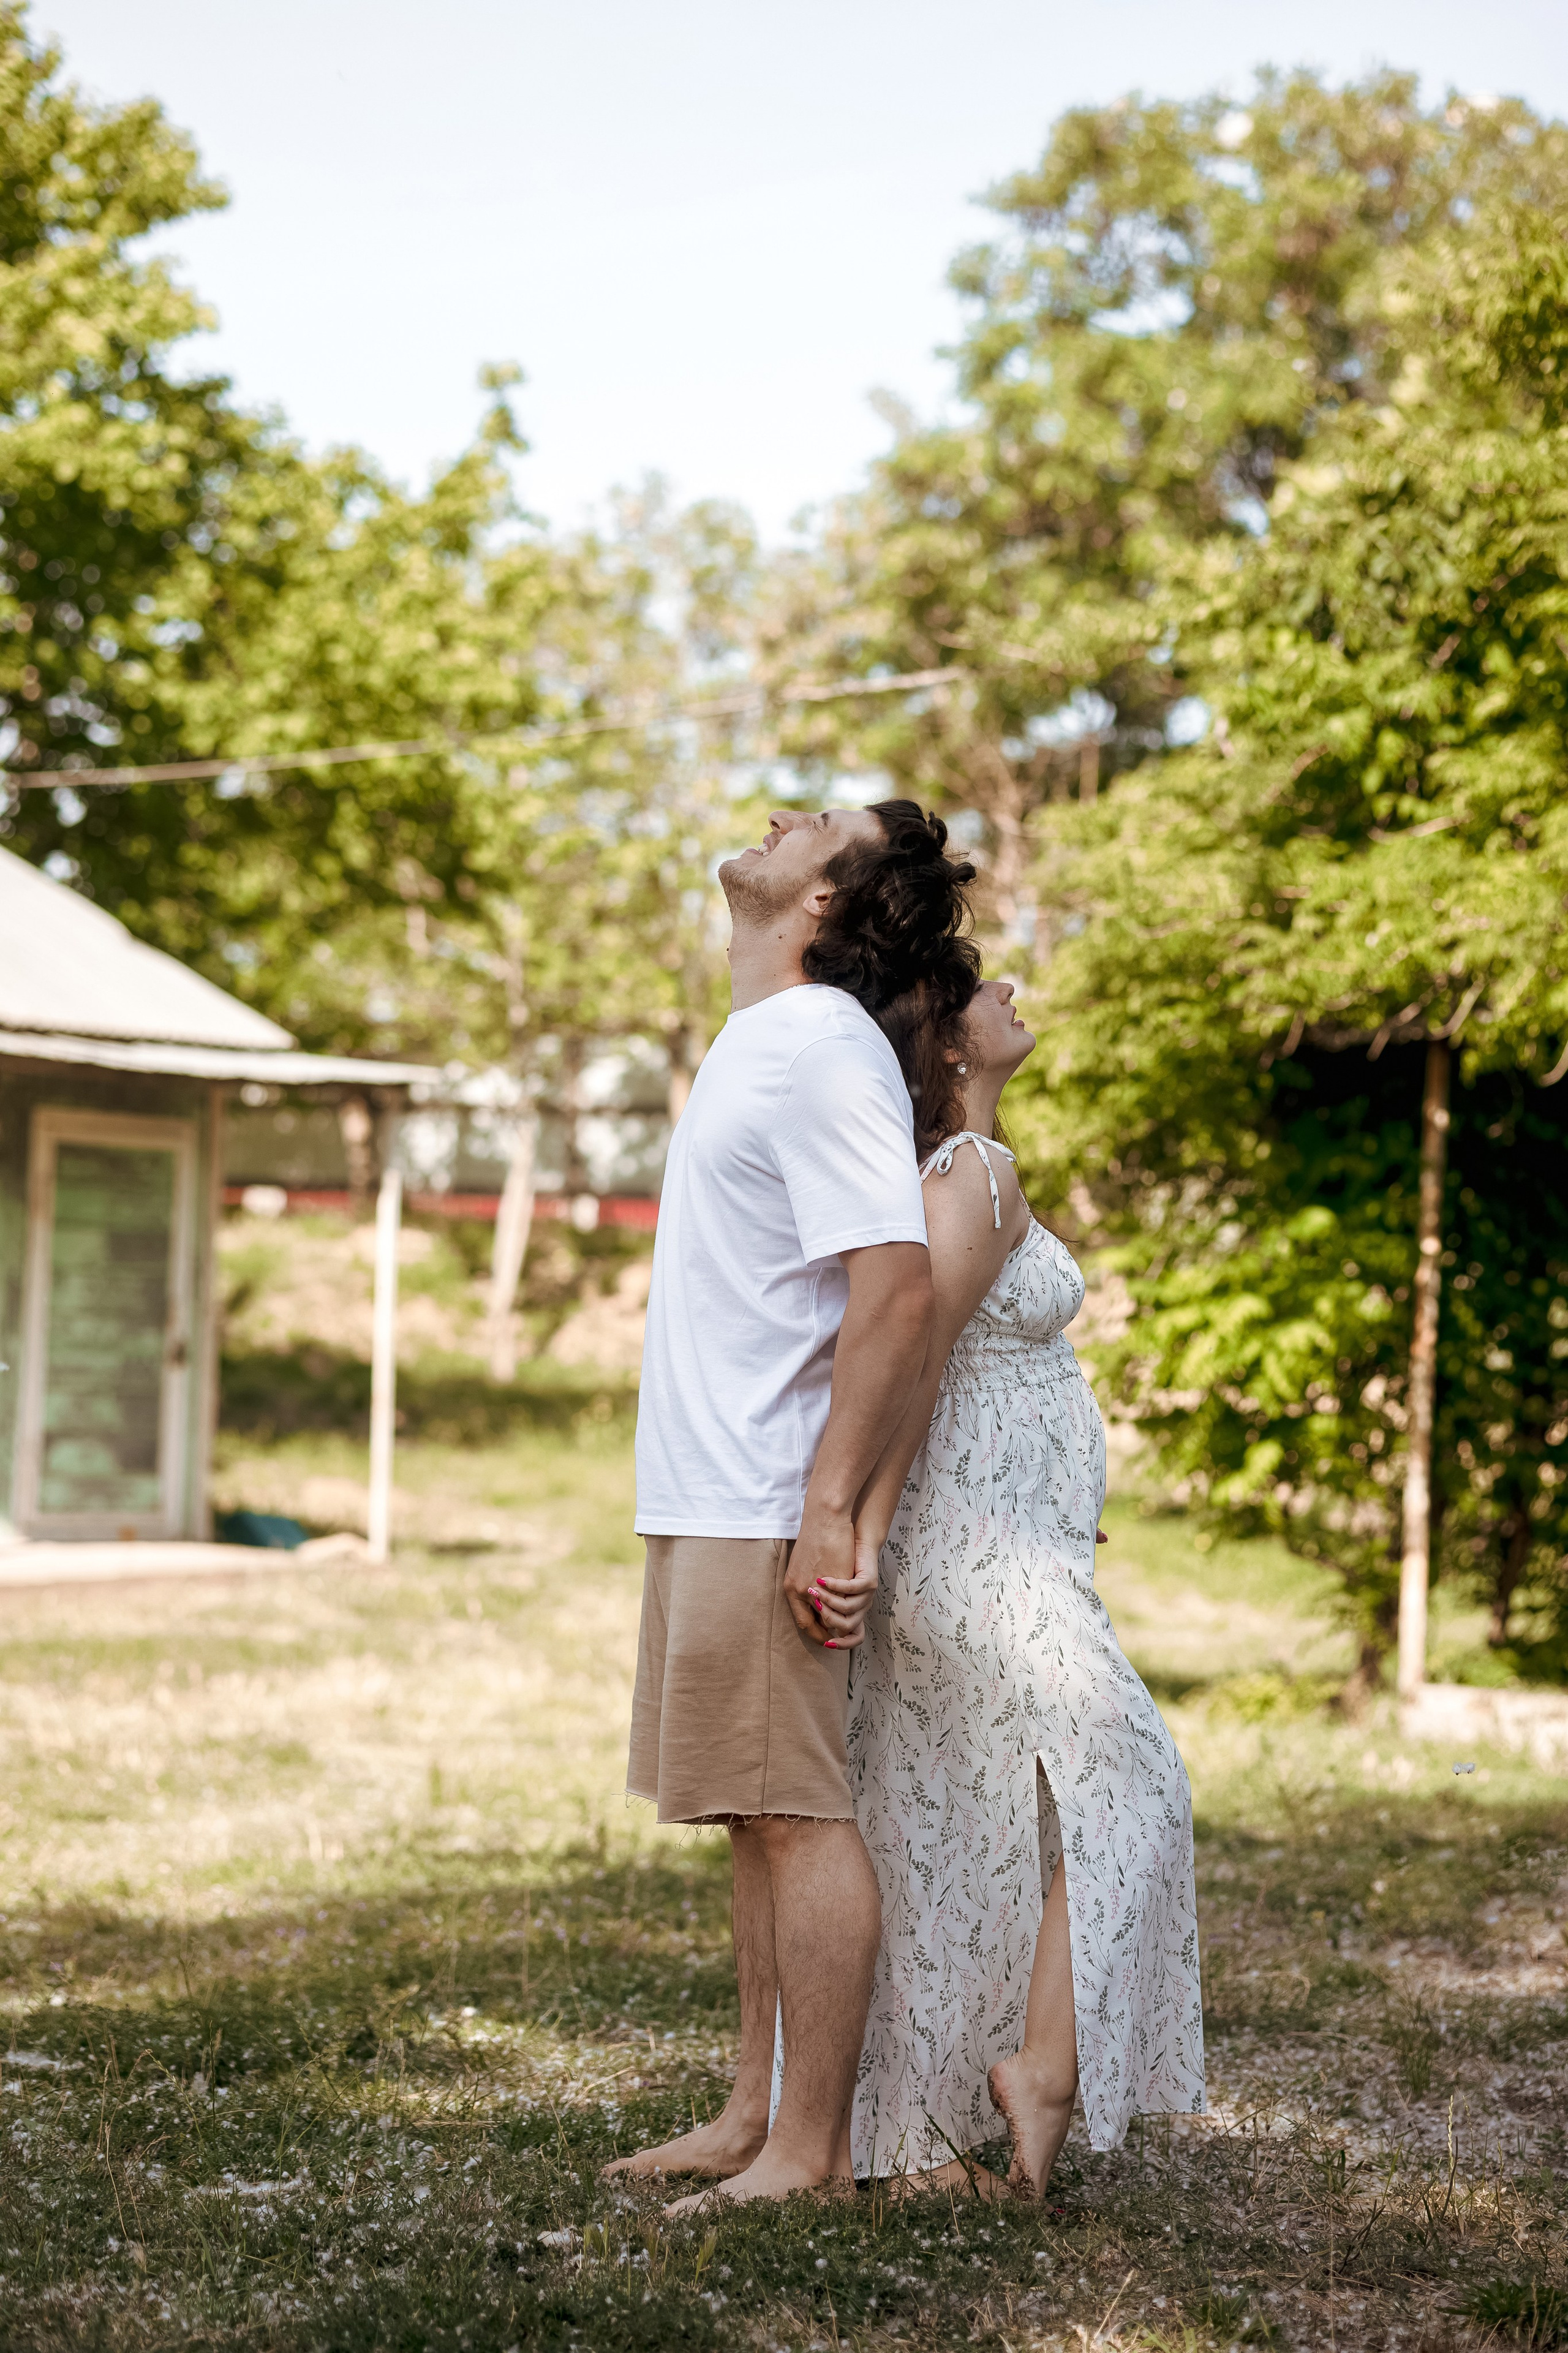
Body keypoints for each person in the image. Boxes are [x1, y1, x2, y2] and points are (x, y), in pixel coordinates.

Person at [605, 799, 979, 2209]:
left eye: (807, 822)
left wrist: (827, 1510)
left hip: (767, 1494)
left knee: (793, 1812)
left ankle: (809, 2152)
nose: (771, 816)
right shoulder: (763, 1039)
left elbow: (893, 1287)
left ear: (822, 900)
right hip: (711, 1489)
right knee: (747, 1816)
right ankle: (749, 2111)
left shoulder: (820, 1046)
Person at [834, 962, 1205, 2196]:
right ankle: (1034, 2074)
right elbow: (916, 1362)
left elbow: (971, 1375)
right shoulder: (969, 1174)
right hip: (971, 1553)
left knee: (967, 1828)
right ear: (946, 1045)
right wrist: (864, 1525)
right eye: (985, 986)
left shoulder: (973, 1168)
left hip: (1006, 1538)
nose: (1016, 989)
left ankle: (939, 2132)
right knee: (1128, 1777)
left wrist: (1055, 1495)